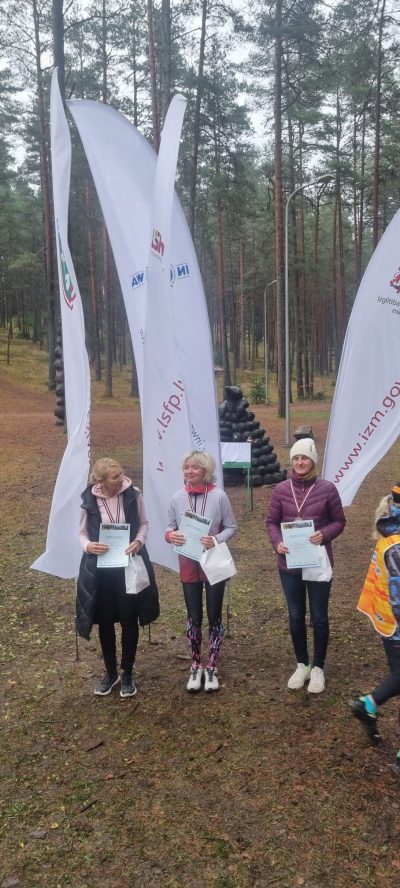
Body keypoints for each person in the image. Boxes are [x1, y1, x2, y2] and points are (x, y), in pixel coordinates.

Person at [266, 438, 346, 693]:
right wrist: (277, 543)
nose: (300, 462)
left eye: (305, 458)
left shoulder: (327, 489)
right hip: (289, 564)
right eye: (296, 458)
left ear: (313, 461)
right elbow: (271, 522)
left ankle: (318, 667)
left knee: (319, 616)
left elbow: (339, 521)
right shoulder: (281, 489)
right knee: (295, 615)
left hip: (318, 562)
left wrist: (325, 534)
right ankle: (302, 665)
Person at [76, 458, 158, 698]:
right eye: (115, 477)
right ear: (101, 481)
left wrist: (138, 541)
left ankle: (128, 672)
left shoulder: (133, 494)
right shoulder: (89, 499)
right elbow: (81, 532)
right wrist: (88, 546)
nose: (121, 479)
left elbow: (144, 523)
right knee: (105, 621)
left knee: (129, 618)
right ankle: (111, 673)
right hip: (101, 569)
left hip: (128, 565)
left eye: (121, 473)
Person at [166, 450, 237, 693]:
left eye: (194, 467)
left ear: (205, 471)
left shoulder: (219, 496)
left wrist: (215, 539)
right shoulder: (177, 497)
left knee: (214, 615)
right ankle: (196, 665)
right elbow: (169, 527)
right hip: (188, 563)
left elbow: (231, 527)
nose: (189, 471)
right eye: (186, 467)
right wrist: (170, 536)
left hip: (213, 562)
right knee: (193, 615)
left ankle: (212, 666)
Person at [350, 484, 400, 773]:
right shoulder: (395, 546)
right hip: (396, 626)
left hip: (388, 624)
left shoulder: (390, 536)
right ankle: (367, 704)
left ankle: (367, 706)